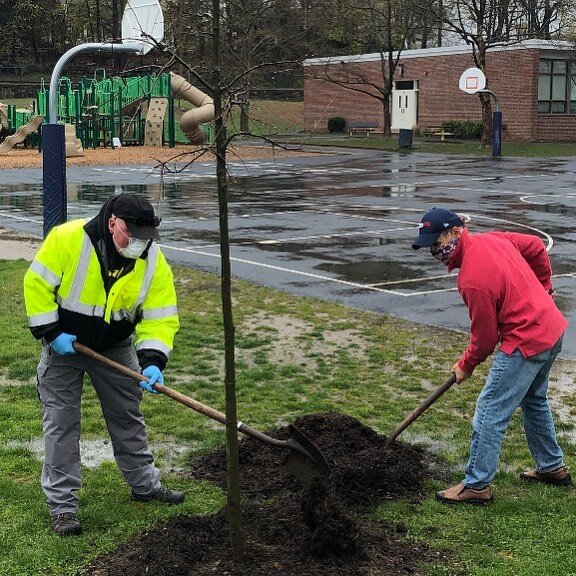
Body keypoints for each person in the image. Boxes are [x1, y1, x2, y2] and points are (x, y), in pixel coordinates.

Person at [24, 194, 183, 536]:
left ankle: (145, 486)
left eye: (145, 237)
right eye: (132, 234)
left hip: (114, 348)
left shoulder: (153, 261)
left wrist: (153, 359)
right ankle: (63, 507)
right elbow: (36, 284)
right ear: (113, 223)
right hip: (64, 347)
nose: (138, 243)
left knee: (128, 416)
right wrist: (52, 332)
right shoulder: (67, 239)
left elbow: (160, 315)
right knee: (61, 424)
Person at [411, 207, 570, 505]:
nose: (434, 250)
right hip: (552, 328)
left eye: (437, 241)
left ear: (457, 231)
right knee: (534, 399)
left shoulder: (472, 279)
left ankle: (476, 484)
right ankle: (551, 467)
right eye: (429, 245)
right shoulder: (492, 240)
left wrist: (465, 365)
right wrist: (545, 288)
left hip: (528, 339)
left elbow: (485, 340)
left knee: (490, 410)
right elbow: (536, 246)